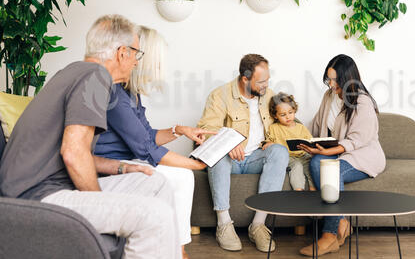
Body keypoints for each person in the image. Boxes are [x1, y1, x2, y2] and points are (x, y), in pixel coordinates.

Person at [0, 15, 182, 259]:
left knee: (156, 183)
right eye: (137, 54)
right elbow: (73, 153)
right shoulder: (95, 76)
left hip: (47, 189)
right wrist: (104, 208)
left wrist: (121, 168)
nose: (136, 63)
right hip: (36, 197)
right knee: (153, 217)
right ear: (122, 53)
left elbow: (74, 150)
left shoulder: (76, 72)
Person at [94, 26, 214, 259]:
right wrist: (195, 164)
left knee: (181, 176)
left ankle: (176, 247)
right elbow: (145, 147)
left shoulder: (131, 93)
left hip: (130, 157)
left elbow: (147, 134)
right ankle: (178, 250)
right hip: (110, 166)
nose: (160, 68)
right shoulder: (116, 95)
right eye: (158, 62)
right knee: (182, 176)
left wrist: (180, 130)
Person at [197, 54, 289, 252]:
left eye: (268, 79)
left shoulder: (269, 95)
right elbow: (206, 130)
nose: (266, 85)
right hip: (230, 161)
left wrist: (272, 140)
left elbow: (280, 124)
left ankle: (258, 225)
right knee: (218, 154)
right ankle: (224, 224)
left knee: (280, 152)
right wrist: (227, 143)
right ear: (245, 79)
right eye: (261, 81)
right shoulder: (220, 96)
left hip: (256, 157)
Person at [298, 54, 386, 257]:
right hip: (336, 152)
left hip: (362, 156)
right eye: (328, 79)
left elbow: (356, 141)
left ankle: (329, 236)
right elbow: (318, 125)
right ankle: (343, 220)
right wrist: (302, 139)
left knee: (330, 169)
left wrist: (328, 152)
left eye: (335, 80)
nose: (330, 84)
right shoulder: (329, 96)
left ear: (348, 79)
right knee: (317, 162)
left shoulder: (362, 102)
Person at [265, 92, 315, 191]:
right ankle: (298, 190)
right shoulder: (274, 128)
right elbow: (269, 143)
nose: (288, 117)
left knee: (312, 165)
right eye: (283, 115)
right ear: (275, 116)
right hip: (289, 157)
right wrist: (268, 144)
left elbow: (311, 141)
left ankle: (313, 188)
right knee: (296, 166)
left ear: (294, 111)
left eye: (290, 113)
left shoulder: (301, 127)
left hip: (303, 155)